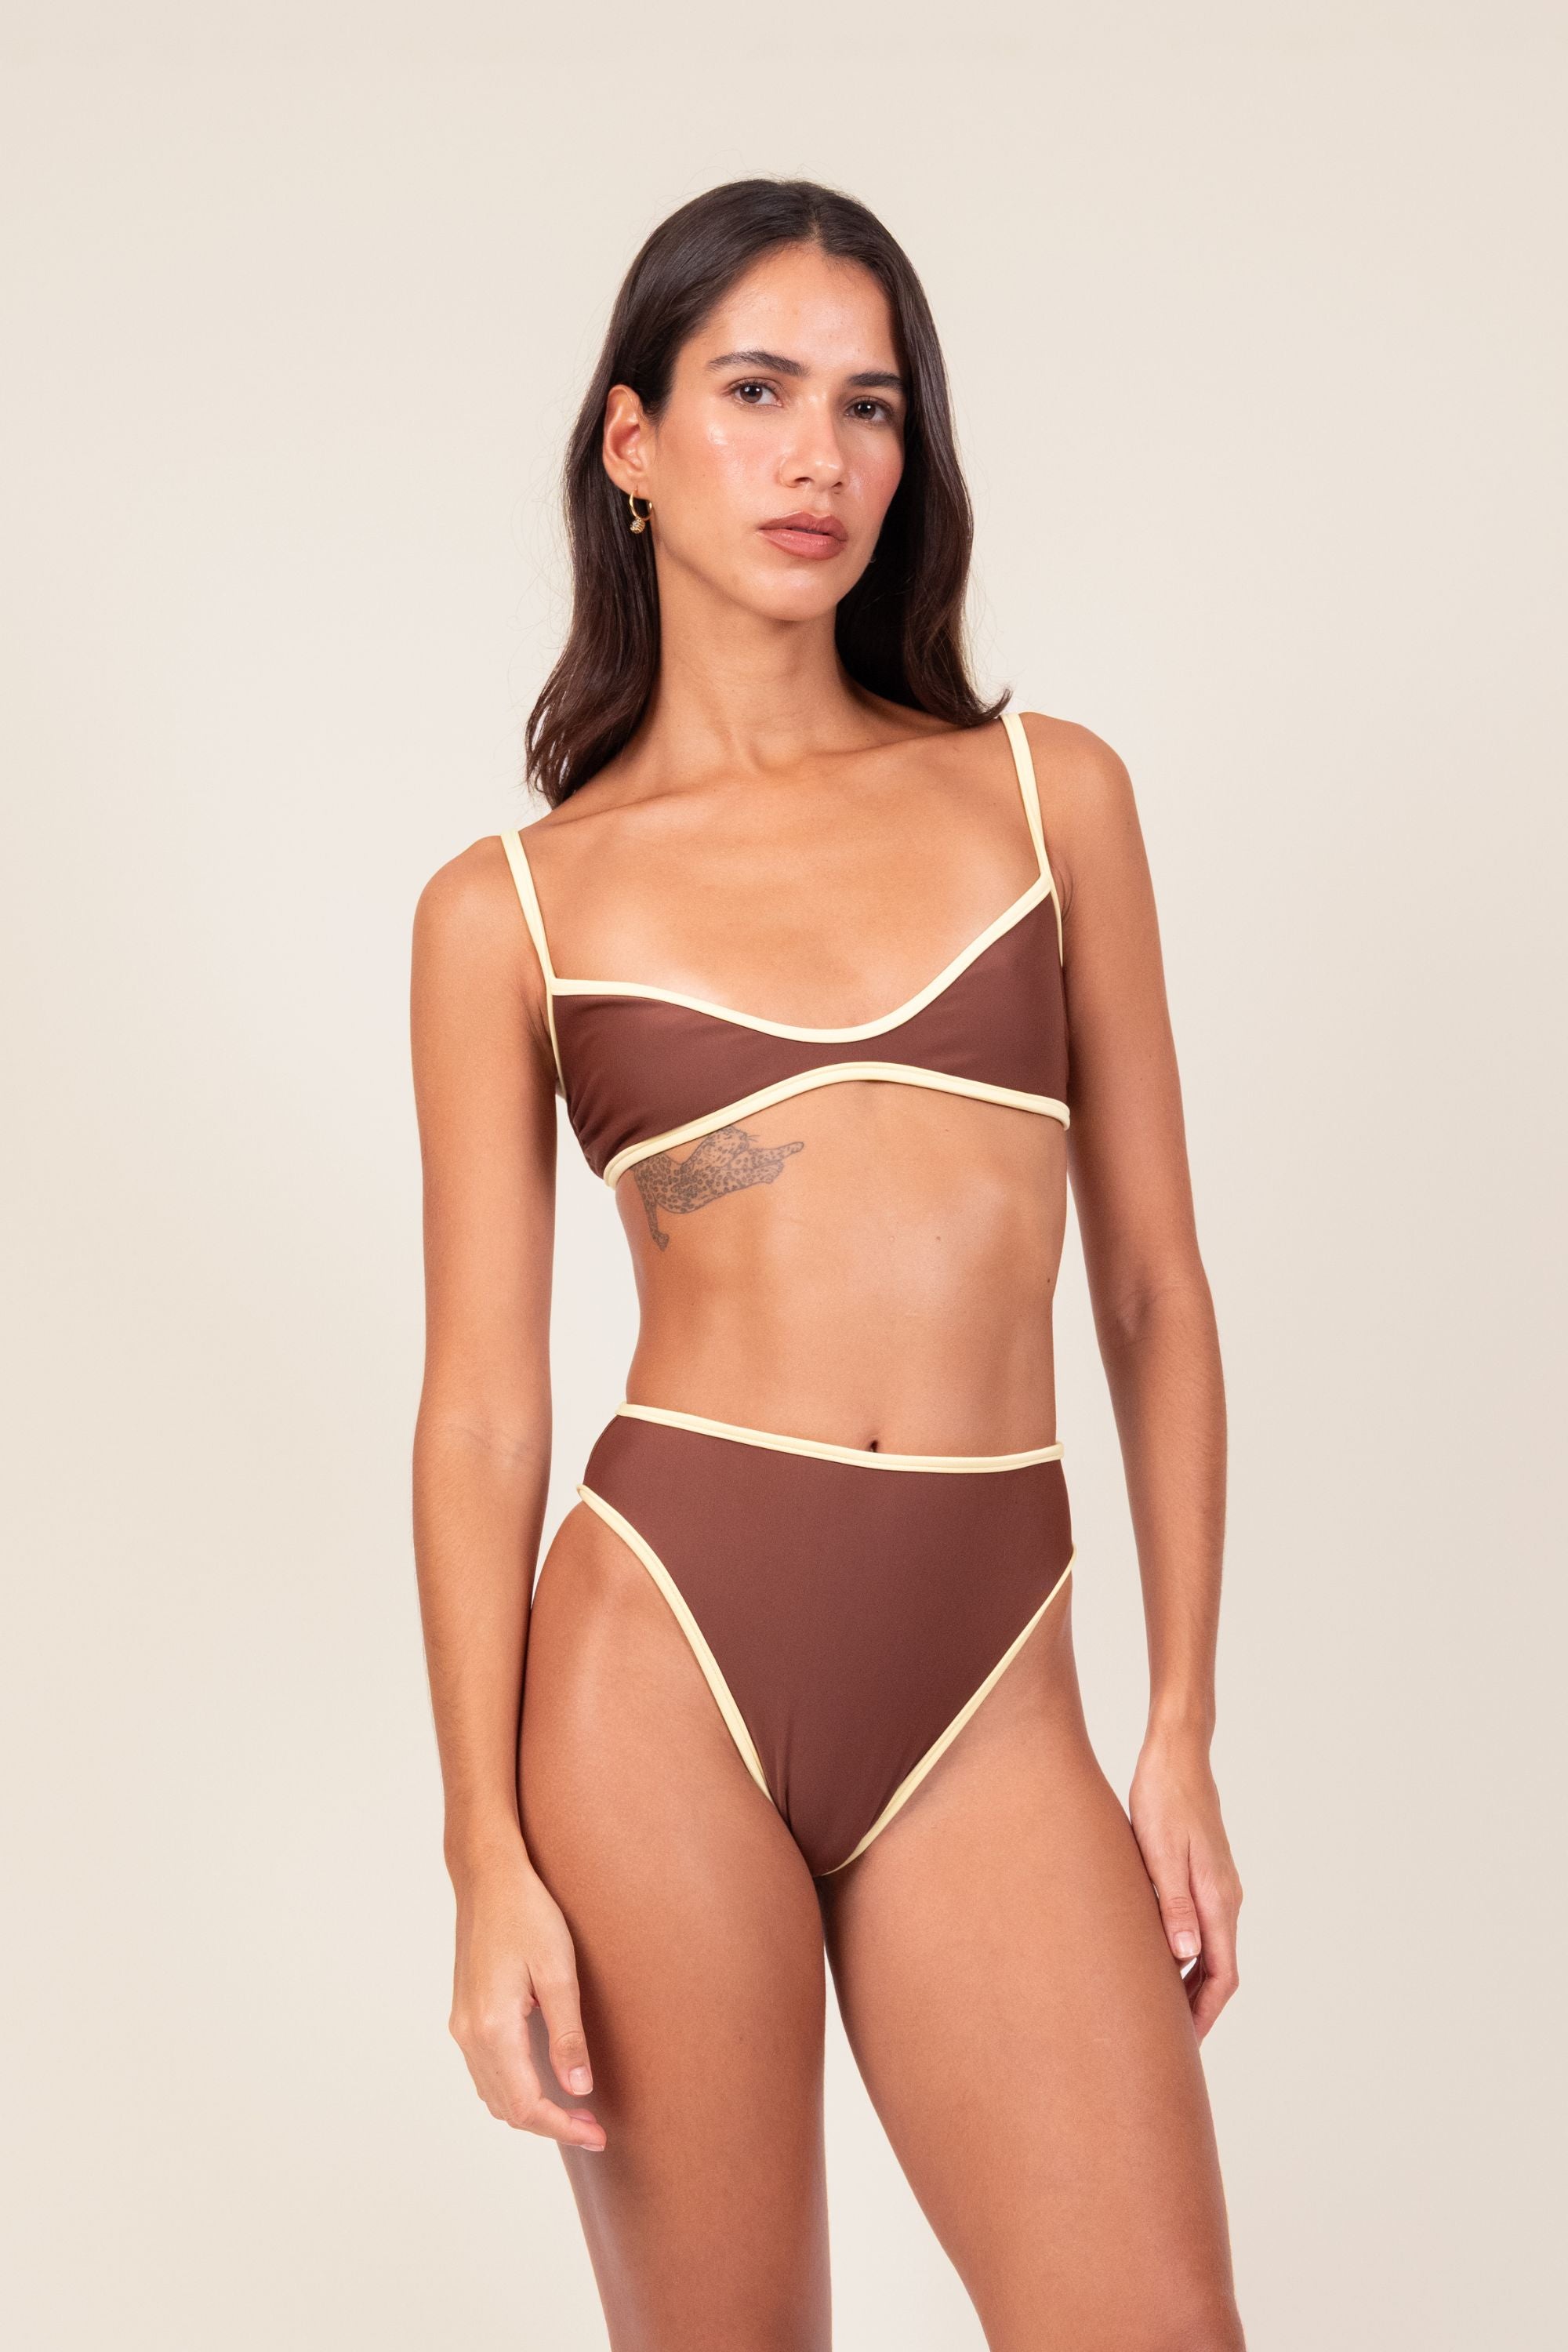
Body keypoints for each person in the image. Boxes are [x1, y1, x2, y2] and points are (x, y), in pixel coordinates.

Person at [410, 176, 1246, 2350]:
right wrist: (483, 1854)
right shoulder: (514, 907)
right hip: (658, 1664)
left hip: (994, 1672)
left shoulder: (1050, 800)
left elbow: (1151, 1292)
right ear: (631, 442)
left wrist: (1179, 1724)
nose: (819, 458)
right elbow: (484, 1407)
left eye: (870, 407)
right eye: (758, 392)